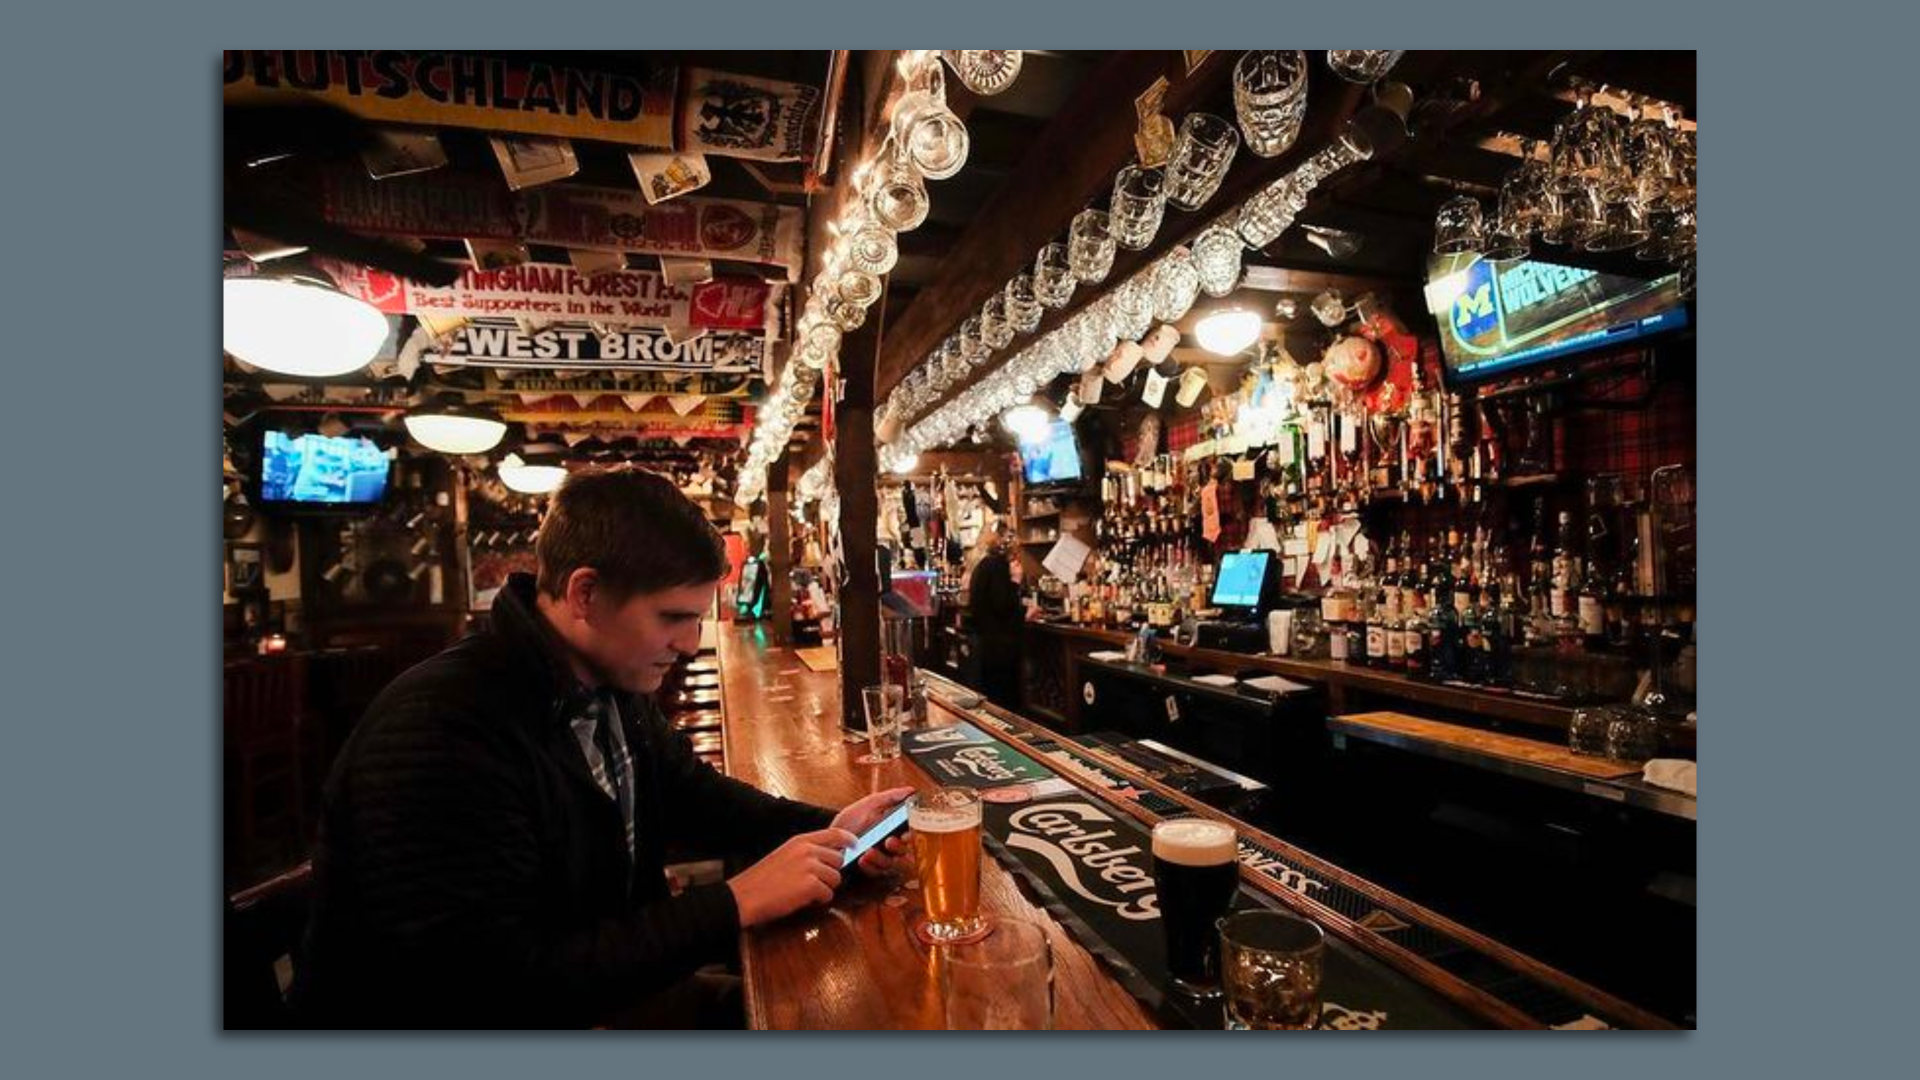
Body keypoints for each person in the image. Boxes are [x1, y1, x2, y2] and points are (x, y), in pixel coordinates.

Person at [294, 468, 912, 1028]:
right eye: (674, 617)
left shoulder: (603, 680)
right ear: (585, 594)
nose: (691, 644)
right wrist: (733, 902)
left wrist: (834, 832)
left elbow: (693, 796)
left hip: (602, 993)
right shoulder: (443, 731)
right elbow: (500, 986)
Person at [967, 522, 1025, 707]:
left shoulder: (981, 565)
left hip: (986, 644)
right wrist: (1016, 582)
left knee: (991, 699)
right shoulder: (997, 565)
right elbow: (1003, 605)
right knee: (1004, 700)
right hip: (1000, 646)